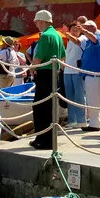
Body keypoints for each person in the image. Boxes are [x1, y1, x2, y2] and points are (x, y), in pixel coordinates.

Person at [30, 10, 65, 150]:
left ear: (42, 21)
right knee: (49, 107)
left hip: (44, 73)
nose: (36, 24)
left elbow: (38, 58)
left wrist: (32, 68)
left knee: (39, 107)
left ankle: (42, 139)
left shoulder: (45, 36)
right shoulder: (57, 35)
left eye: (37, 21)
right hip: (53, 73)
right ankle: (48, 138)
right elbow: (63, 56)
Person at [77, 20, 100, 132]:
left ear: (91, 28)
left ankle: (95, 124)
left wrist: (84, 30)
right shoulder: (89, 41)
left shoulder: (97, 37)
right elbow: (78, 42)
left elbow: (94, 38)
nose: (82, 30)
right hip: (94, 73)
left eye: (85, 28)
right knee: (97, 99)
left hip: (94, 73)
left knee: (93, 99)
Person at [63, 22, 87, 128]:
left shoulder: (83, 39)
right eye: (72, 29)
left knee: (79, 95)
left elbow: (76, 41)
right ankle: (72, 119)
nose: (74, 32)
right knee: (70, 96)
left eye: (76, 30)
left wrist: (67, 34)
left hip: (77, 71)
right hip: (67, 71)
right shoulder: (69, 41)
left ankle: (82, 120)